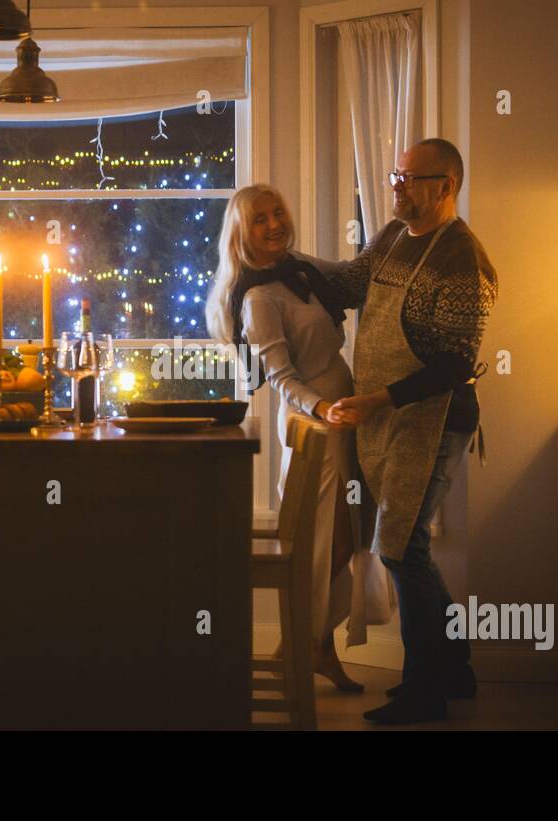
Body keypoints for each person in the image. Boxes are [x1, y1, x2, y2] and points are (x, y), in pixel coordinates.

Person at [324, 138, 498, 724]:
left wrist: (378, 399)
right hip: (387, 418)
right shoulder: (393, 238)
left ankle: (427, 690)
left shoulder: (463, 260)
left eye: (409, 178)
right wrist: (274, 266)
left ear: (445, 187)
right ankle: (454, 671)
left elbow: (454, 364)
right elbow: (346, 284)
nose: (395, 186)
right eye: (396, 176)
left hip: (433, 420)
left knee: (400, 547)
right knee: (407, 548)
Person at [205, 184, 393, 692]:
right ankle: (299, 647)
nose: (273, 225)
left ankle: (317, 649)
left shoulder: (300, 268)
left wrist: (393, 226)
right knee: (324, 542)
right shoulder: (260, 296)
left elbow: (352, 273)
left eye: (278, 213)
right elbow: (283, 379)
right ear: (242, 232)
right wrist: (324, 408)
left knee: (345, 537)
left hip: (345, 416)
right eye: (260, 219)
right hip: (319, 424)